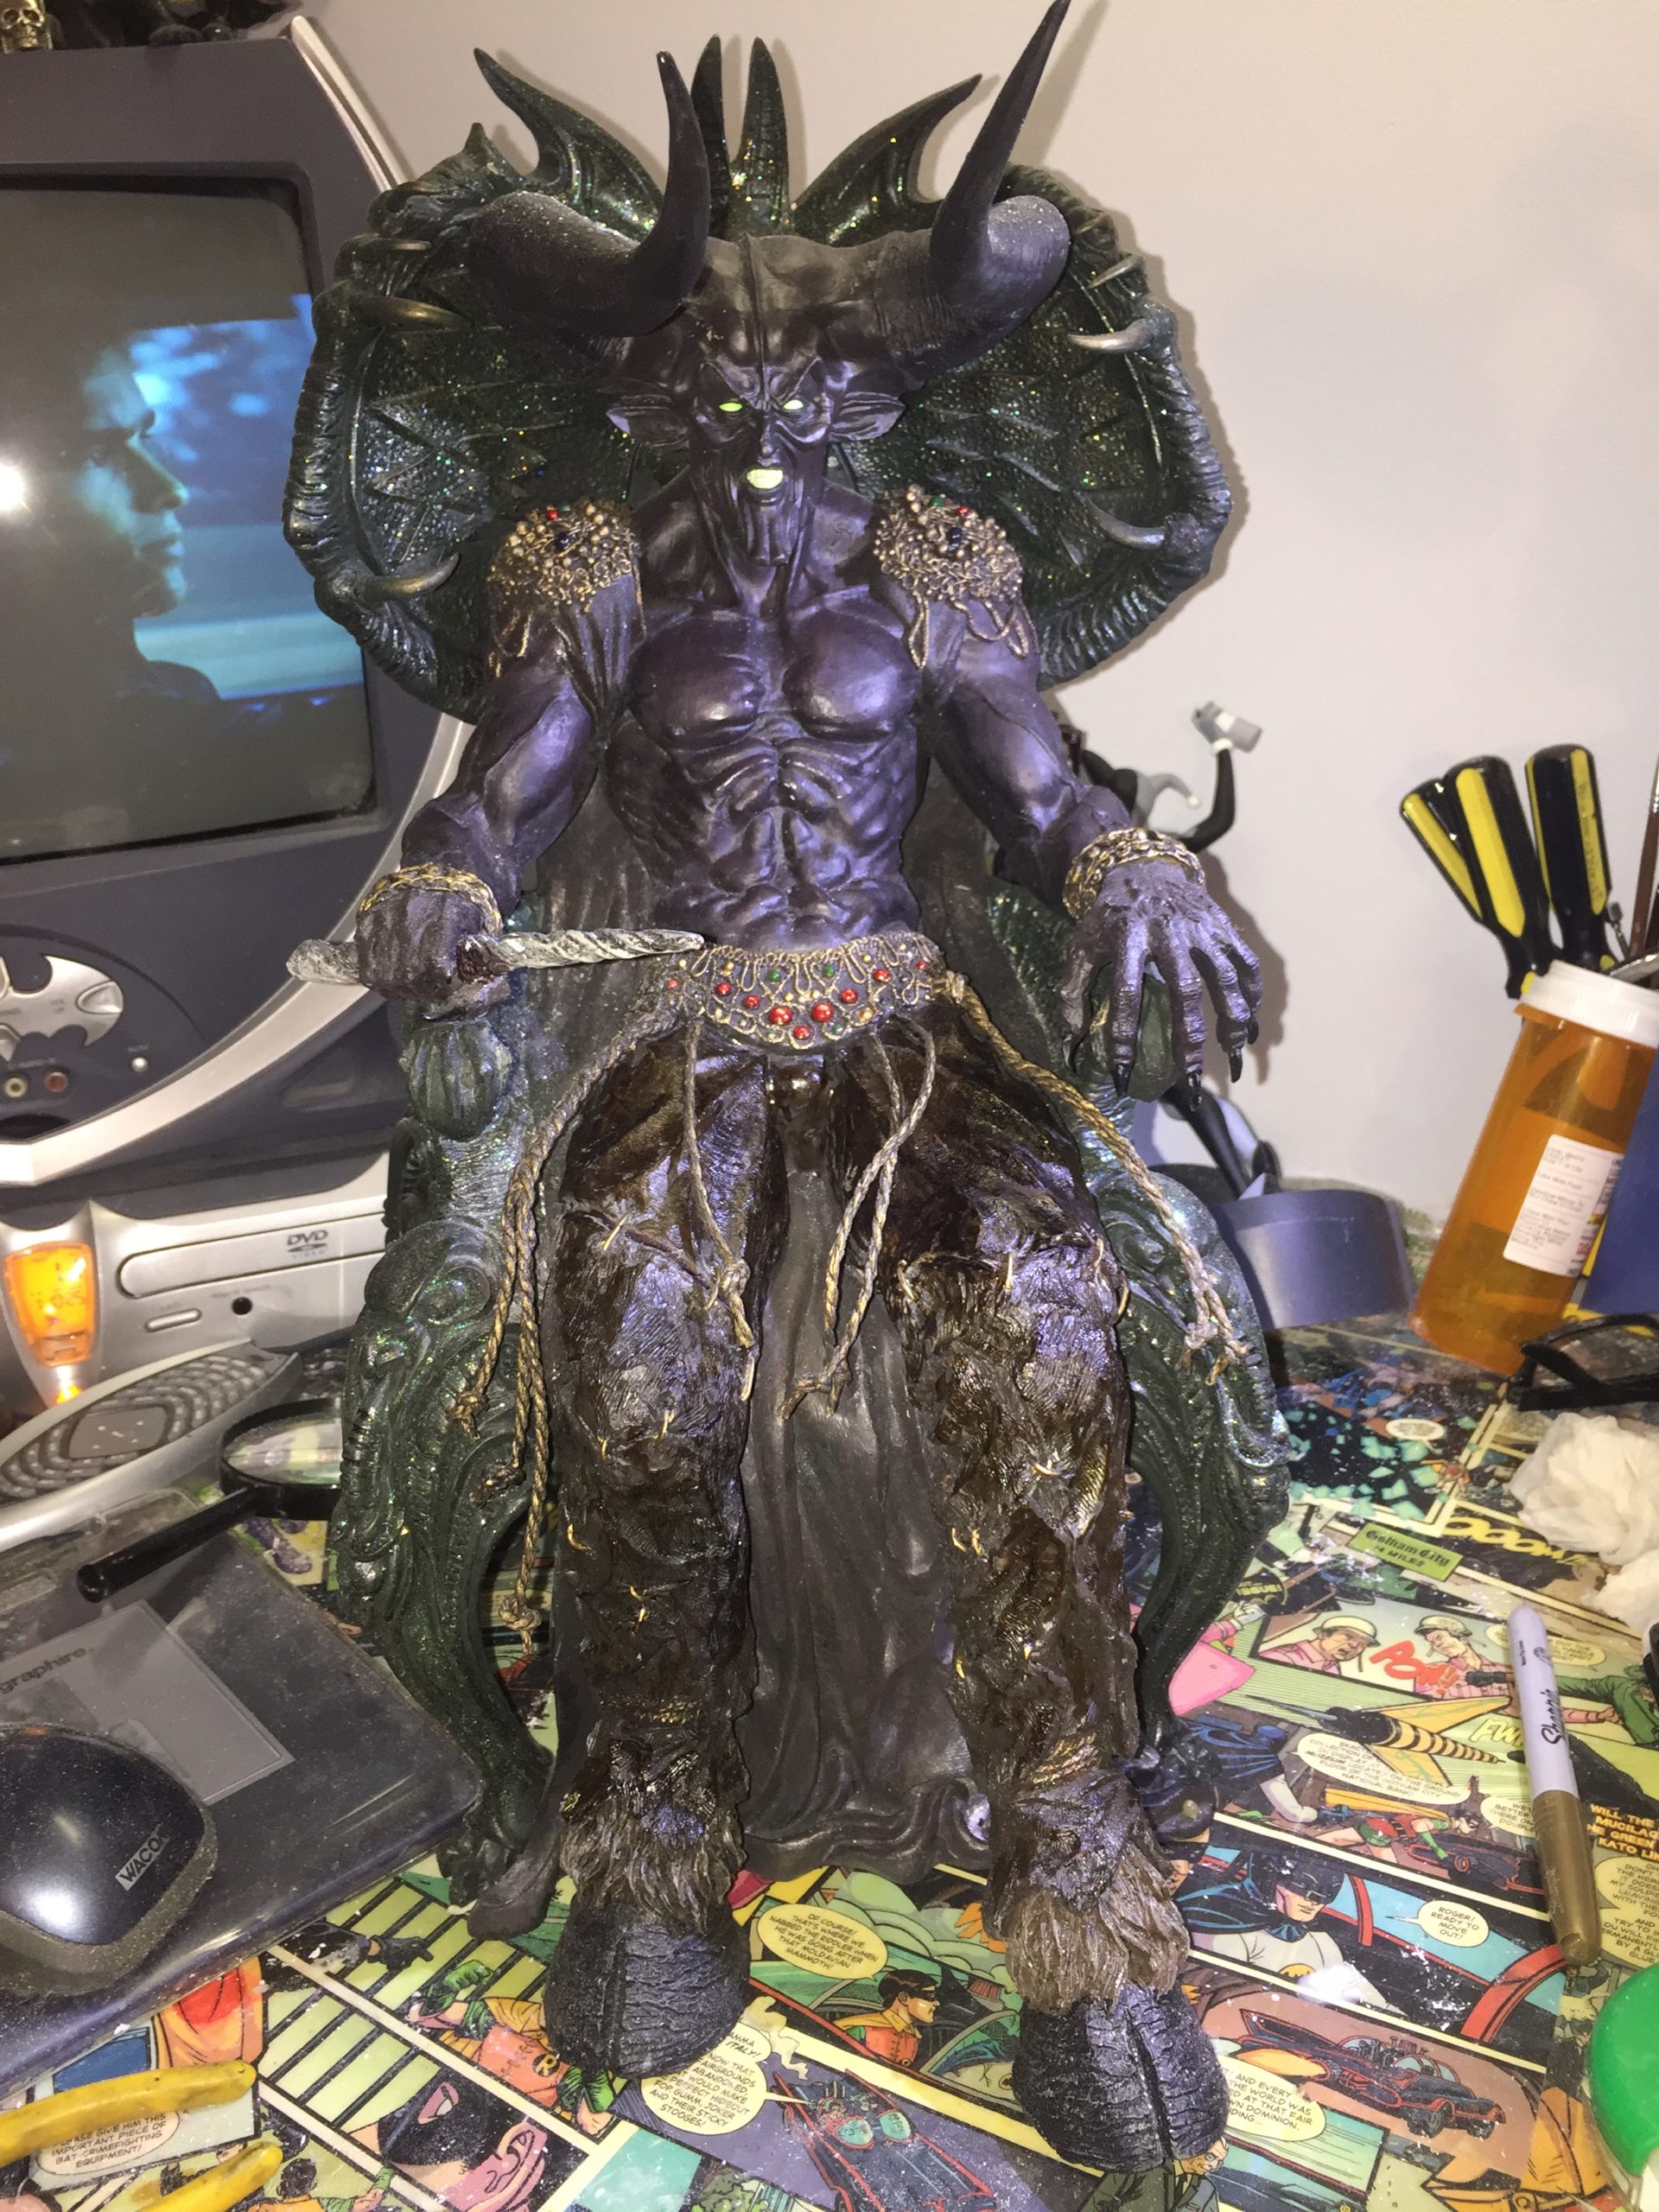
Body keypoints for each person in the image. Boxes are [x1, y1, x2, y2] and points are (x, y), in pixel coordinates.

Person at [834, 1970, 943, 2067]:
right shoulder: (861, 2028)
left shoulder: (914, 2038)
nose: (936, 2003)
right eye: (929, 1996)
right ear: (904, 1998)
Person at [1262, 1618, 1379, 1675]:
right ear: (1323, 1634)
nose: (1354, 1646)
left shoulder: (1332, 1667)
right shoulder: (1282, 1657)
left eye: (1362, 1645)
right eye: (1347, 1637)